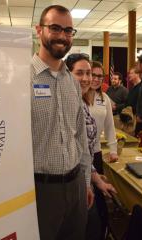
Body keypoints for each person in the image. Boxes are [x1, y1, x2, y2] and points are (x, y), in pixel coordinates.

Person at [31, 5, 92, 240]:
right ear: (39, 30)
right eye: (55, 28)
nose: (62, 36)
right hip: (40, 191)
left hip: (76, 186)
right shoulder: (20, 78)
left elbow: (81, 138)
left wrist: (86, 182)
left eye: (68, 31)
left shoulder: (72, 83)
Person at [65, 54, 117, 240]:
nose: (87, 78)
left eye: (90, 74)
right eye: (80, 73)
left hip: (87, 171)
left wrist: (94, 178)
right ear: (67, 74)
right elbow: (75, 150)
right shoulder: (68, 103)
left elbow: (83, 150)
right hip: (73, 181)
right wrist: (91, 180)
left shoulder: (83, 102)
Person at [89, 61, 118, 170]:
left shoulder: (104, 98)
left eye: (100, 76)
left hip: (96, 151)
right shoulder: (77, 96)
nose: (96, 79)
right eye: (93, 75)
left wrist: (113, 150)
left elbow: (109, 126)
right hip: (79, 154)